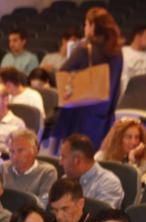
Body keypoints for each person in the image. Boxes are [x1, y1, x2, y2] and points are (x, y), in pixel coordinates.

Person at [50, 7, 123, 149]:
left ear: (92, 26)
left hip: (80, 113)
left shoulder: (84, 49)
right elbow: (116, 86)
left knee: (76, 158)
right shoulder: (117, 51)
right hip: (103, 114)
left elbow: (63, 73)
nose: (84, 28)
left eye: (86, 24)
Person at [60, 133, 126, 208]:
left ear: (77, 160)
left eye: (63, 157)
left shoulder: (108, 183)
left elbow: (103, 217)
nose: (60, 162)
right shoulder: (65, 179)